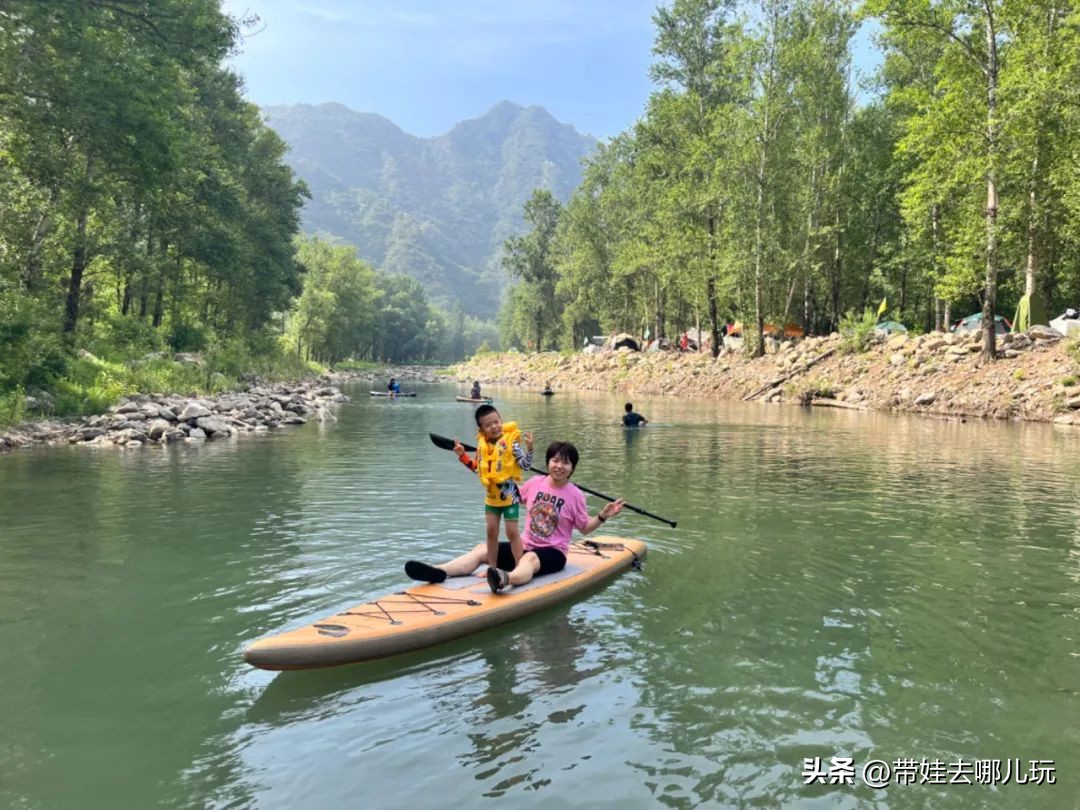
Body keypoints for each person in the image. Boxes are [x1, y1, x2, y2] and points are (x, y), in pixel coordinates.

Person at [405, 441, 625, 594]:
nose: (559, 466)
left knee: (530, 559)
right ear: (548, 462)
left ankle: (504, 579)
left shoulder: (575, 495)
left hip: (553, 554)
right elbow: (509, 492)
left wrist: (603, 516)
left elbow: (584, 528)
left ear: (572, 468)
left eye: (566, 463)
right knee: (482, 549)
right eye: (555, 460)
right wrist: (489, 470)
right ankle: (439, 571)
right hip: (522, 547)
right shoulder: (535, 483)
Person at [431, 404, 533, 572]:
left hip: (510, 497)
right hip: (491, 498)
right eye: (488, 425)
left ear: (501, 420)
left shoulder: (511, 442)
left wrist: (529, 450)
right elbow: (478, 469)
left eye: (496, 422)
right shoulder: (482, 447)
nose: (494, 427)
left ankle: (518, 568)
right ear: (482, 429)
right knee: (491, 533)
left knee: (512, 532)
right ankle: (492, 569)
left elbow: (525, 465)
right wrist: (462, 455)